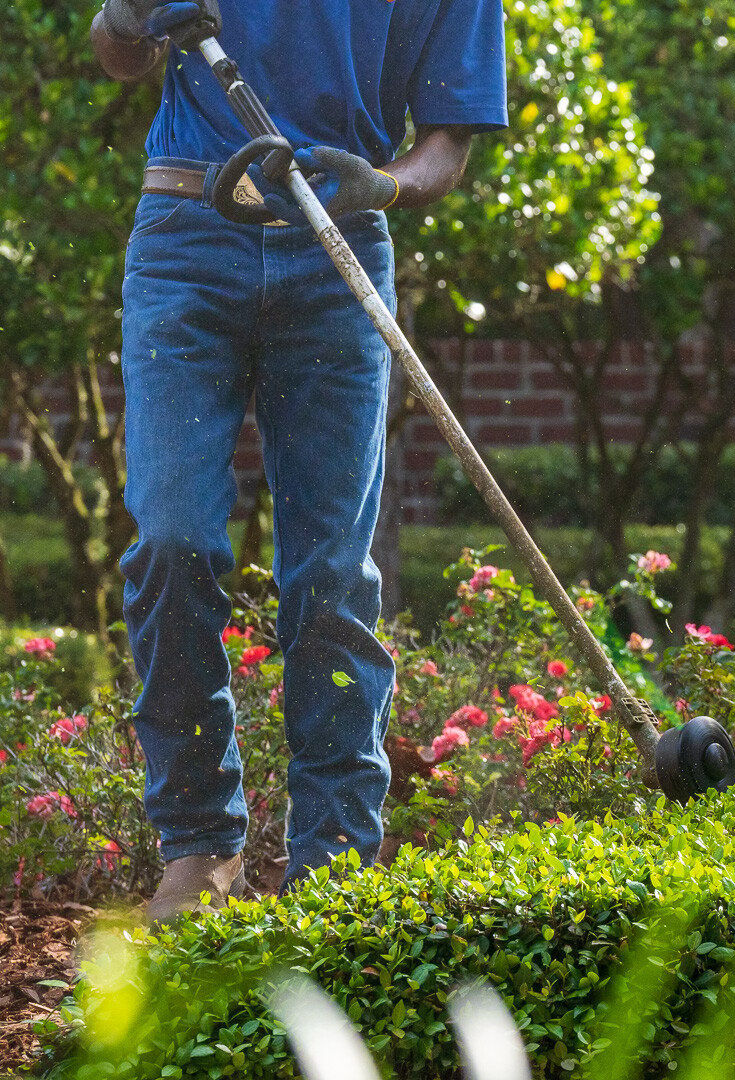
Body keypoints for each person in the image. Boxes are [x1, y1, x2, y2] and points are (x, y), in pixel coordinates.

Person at [92, 0, 507, 924]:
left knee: (328, 571)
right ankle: (200, 842)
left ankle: (335, 855)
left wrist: (383, 188)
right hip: (186, 231)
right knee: (171, 538)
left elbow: (446, 147)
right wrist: (125, 13)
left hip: (338, 244)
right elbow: (120, 54)